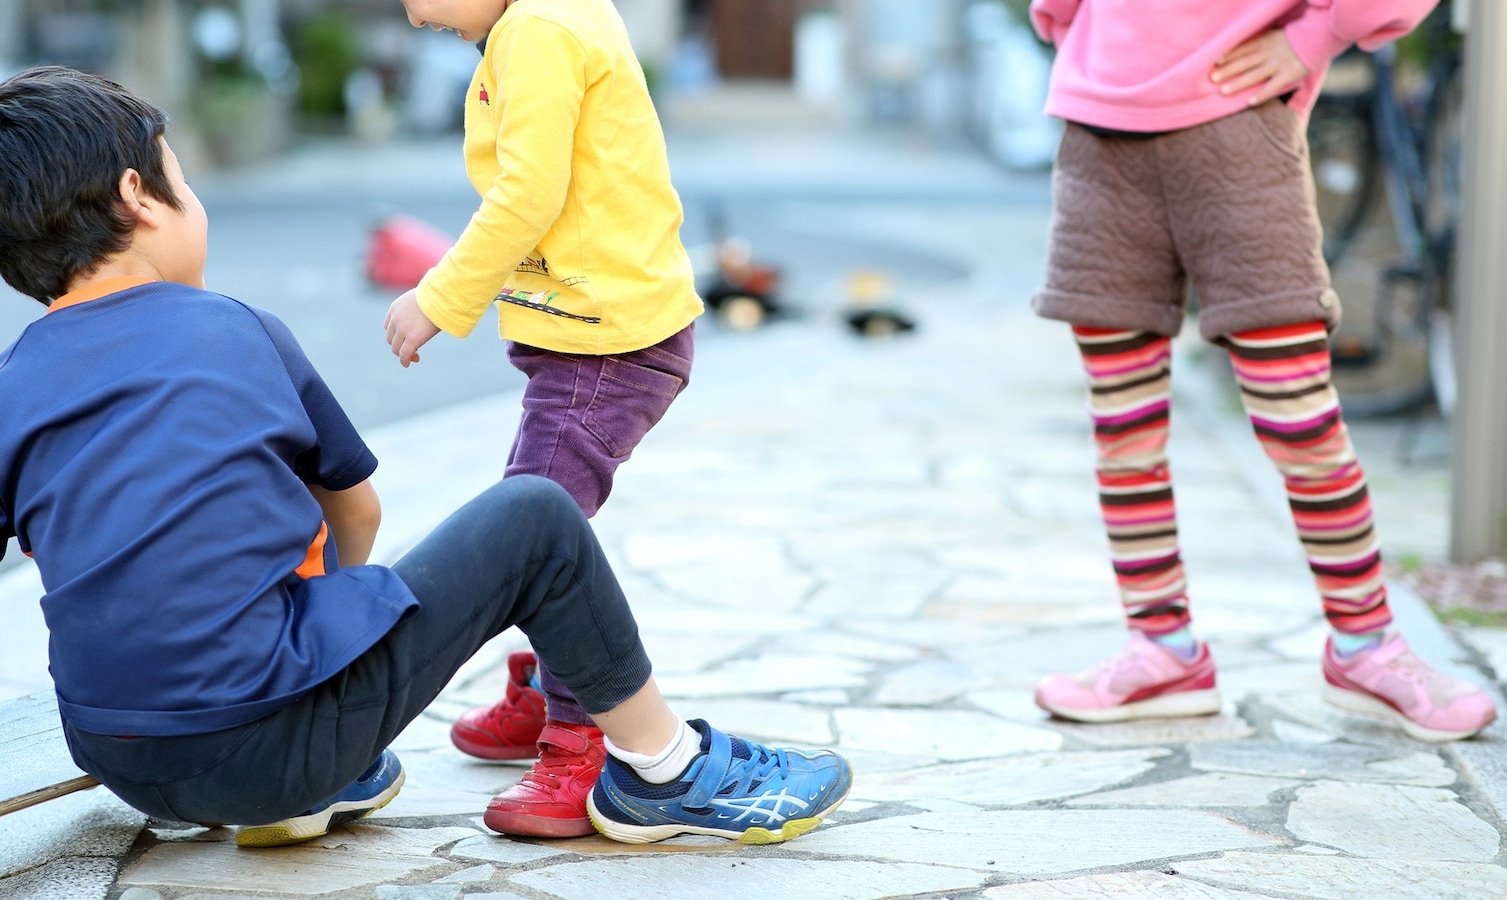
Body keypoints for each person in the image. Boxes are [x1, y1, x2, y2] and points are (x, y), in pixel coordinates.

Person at [0, 65, 850, 849]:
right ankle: (664, 770)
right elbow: (356, 509)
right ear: (139, 197)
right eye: (183, 182)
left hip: (118, 756)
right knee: (535, 518)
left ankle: (316, 779)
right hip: (268, 747)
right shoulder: (235, 329)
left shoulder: (17, 377)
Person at [1026, 1, 1497, 742]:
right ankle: (1162, 648)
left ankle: (1367, 645)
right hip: (1098, 139)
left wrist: (1316, 33)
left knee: (1297, 419)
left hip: (1235, 132)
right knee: (1123, 429)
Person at [380, 0, 705, 837]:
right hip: (591, 336)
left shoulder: (541, 31)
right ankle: (545, 686)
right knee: (531, 529)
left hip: (609, 348)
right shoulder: (537, 22)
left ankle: (580, 739)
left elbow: (528, 191)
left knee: (531, 533)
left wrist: (439, 297)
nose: (412, 16)